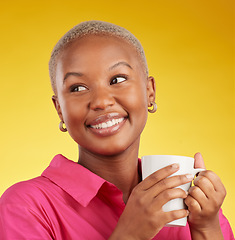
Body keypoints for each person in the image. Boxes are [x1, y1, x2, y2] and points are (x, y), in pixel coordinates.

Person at [0, 20, 233, 240]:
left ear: (149, 91)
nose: (101, 101)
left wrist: (206, 227)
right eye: (78, 87)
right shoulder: (26, 206)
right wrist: (130, 234)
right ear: (59, 109)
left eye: (117, 79)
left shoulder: (191, 202)